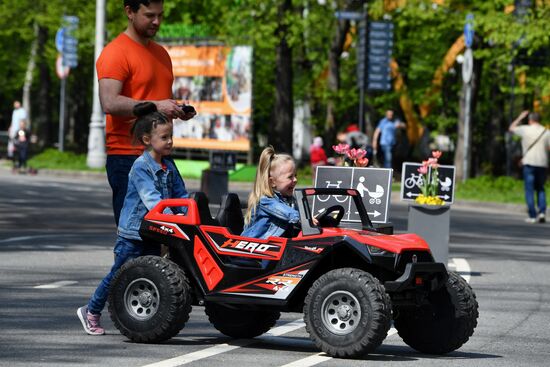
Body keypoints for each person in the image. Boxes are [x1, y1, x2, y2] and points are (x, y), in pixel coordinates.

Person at [77, 102, 189, 335]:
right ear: (147, 139)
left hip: (155, 231)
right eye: (164, 137)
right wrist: (173, 220)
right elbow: (153, 201)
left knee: (149, 275)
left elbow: (181, 195)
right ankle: (91, 310)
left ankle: (146, 319)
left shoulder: (169, 165)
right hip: (133, 232)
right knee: (119, 274)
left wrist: (188, 214)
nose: (170, 141)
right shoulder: (141, 167)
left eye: (171, 136)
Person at [97, 0, 195, 226]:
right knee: (135, 234)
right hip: (128, 156)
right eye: (150, 15)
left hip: (161, 155)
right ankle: (130, 264)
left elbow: (155, 101)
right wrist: (158, 105)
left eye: (160, 15)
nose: (157, 21)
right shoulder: (115, 52)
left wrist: (176, 110)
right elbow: (109, 102)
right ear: (129, 12)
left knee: (173, 230)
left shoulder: (161, 53)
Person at [509, 110, 550, 223]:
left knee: (529, 189)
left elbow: (511, 128)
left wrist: (519, 117)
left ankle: (532, 215)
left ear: (530, 120)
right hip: (542, 163)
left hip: (529, 163)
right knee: (541, 188)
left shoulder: (525, 129)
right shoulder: (546, 132)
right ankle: (542, 212)